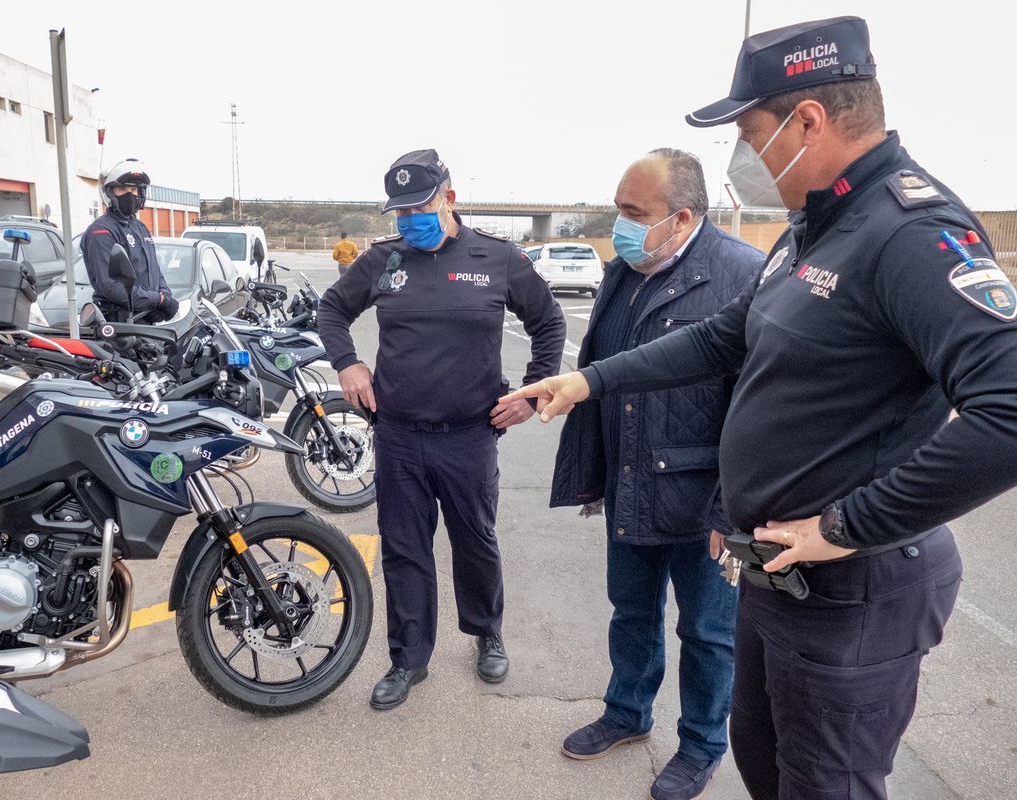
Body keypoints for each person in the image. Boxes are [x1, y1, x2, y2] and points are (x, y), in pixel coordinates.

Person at [499, 16, 1016, 799]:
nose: (743, 153)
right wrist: (590, 381)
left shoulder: (908, 232)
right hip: (773, 577)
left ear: (808, 121)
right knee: (767, 769)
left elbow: (1008, 407)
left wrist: (847, 527)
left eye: (749, 130)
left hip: (852, 592)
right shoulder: (815, 228)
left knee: (825, 785)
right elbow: (720, 340)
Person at [319, 148, 566, 709]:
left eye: (419, 207)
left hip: (469, 435)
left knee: (475, 541)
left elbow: (549, 322)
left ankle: (486, 631)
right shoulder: (384, 260)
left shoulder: (498, 258)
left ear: (449, 199)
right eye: (400, 213)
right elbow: (332, 309)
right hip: (400, 434)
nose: (409, 222)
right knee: (404, 550)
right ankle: (408, 658)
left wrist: (532, 391)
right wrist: (348, 363)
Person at [554, 149, 762, 800]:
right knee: (632, 613)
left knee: (708, 632)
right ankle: (627, 713)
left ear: (681, 218)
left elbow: (757, 409)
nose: (619, 224)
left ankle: (701, 745)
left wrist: (732, 512)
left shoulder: (743, 276)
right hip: (631, 483)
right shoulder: (625, 272)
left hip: (706, 502)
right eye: (617, 208)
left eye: (631, 212)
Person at [81, 157, 177, 323]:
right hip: (120, 326)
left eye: (133, 190)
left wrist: (164, 297)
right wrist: (157, 300)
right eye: (122, 189)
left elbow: (154, 271)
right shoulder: (102, 231)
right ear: (111, 193)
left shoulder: (140, 228)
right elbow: (111, 285)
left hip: (144, 320)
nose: (129, 194)